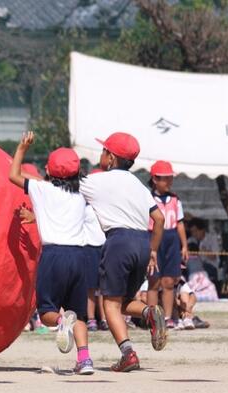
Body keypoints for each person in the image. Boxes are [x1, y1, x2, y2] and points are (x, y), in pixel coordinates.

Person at [80, 132, 167, 373]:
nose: (101, 155)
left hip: (118, 241)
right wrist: (153, 251)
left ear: (111, 157)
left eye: (104, 151)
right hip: (142, 241)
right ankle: (150, 311)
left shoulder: (97, 181)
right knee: (124, 301)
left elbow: (66, 186)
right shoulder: (138, 185)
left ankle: (128, 354)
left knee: (109, 304)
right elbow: (158, 219)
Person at [9, 132, 94, 375]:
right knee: (77, 312)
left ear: (49, 170)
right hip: (79, 256)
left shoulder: (41, 189)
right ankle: (85, 360)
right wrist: (37, 217)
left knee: (47, 310)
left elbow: (13, 175)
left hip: (54, 255)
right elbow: (65, 217)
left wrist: (22, 148)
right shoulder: (81, 195)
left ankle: (59, 323)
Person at [146, 160, 188, 329]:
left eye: (171, 178)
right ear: (155, 179)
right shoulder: (148, 199)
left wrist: (184, 245)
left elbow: (180, 223)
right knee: (154, 281)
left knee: (169, 281)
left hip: (171, 239)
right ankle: (151, 318)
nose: (169, 182)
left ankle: (169, 317)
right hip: (153, 237)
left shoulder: (175, 199)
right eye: (165, 178)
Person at [83, 170, 107, 332]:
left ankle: (105, 318)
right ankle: (91, 318)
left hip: (107, 247)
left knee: (106, 287)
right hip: (89, 247)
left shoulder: (108, 205)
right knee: (91, 287)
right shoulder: (83, 206)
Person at [187, 217, 220, 283]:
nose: (194, 234)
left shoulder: (212, 239)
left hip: (210, 267)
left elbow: (214, 257)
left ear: (202, 229)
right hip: (193, 266)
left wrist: (203, 250)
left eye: (196, 231)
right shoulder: (190, 240)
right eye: (192, 232)